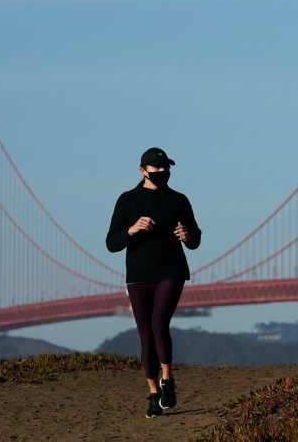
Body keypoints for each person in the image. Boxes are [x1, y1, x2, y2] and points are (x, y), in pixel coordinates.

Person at [106, 147, 201, 418]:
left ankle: (168, 380)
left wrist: (188, 235)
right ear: (142, 171)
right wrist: (132, 229)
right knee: (145, 336)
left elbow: (195, 239)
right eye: (157, 169)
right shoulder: (127, 200)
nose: (163, 173)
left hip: (171, 269)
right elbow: (112, 242)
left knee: (160, 324)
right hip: (138, 274)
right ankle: (152, 393)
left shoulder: (179, 200)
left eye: (166, 169)